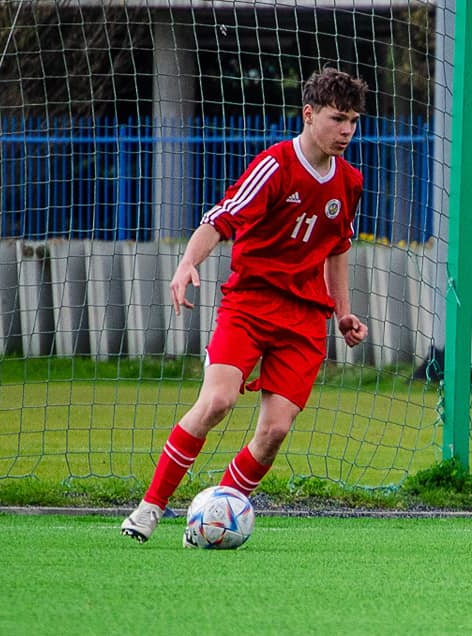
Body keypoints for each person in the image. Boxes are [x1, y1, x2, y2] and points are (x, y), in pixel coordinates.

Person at [121, 68, 370, 543]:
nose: (347, 131)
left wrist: (342, 312)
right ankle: (151, 507)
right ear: (309, 114)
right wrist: (186, 264)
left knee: (275, 431)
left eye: (354, 121)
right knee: (217, 400)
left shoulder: (349, 182)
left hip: (303, 319)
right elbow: (218, 221)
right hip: (251, 304)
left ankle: (218, 515)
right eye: (339, 119)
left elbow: (338, 248)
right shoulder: (275, 166)